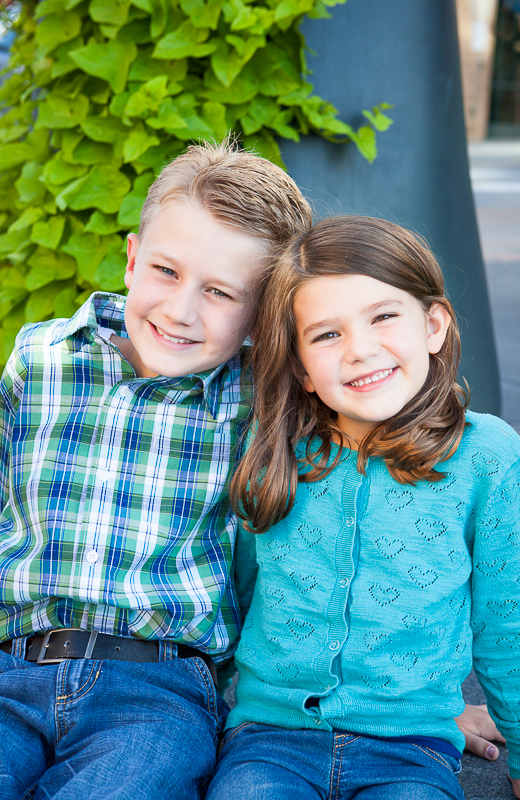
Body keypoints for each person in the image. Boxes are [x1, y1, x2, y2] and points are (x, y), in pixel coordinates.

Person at [0, 140, 312, 800]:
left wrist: (402, 711)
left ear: (258, 316)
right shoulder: (41, 358)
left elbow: (310, 566)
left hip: (157, 693)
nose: (180, 310)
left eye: (221, 292)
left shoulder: (252, 400)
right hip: (12, 669)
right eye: (165, 271)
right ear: (133, 257)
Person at [206, 216, 520, 800]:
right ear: (303, 369)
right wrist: (208, 711)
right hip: (269, 739)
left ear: (433, 325)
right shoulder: (273, 447)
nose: (360, 350)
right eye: (326, 335)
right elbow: (236, 591)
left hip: (409, 748)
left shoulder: (487, 457)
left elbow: (506, 617)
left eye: (383, 316)